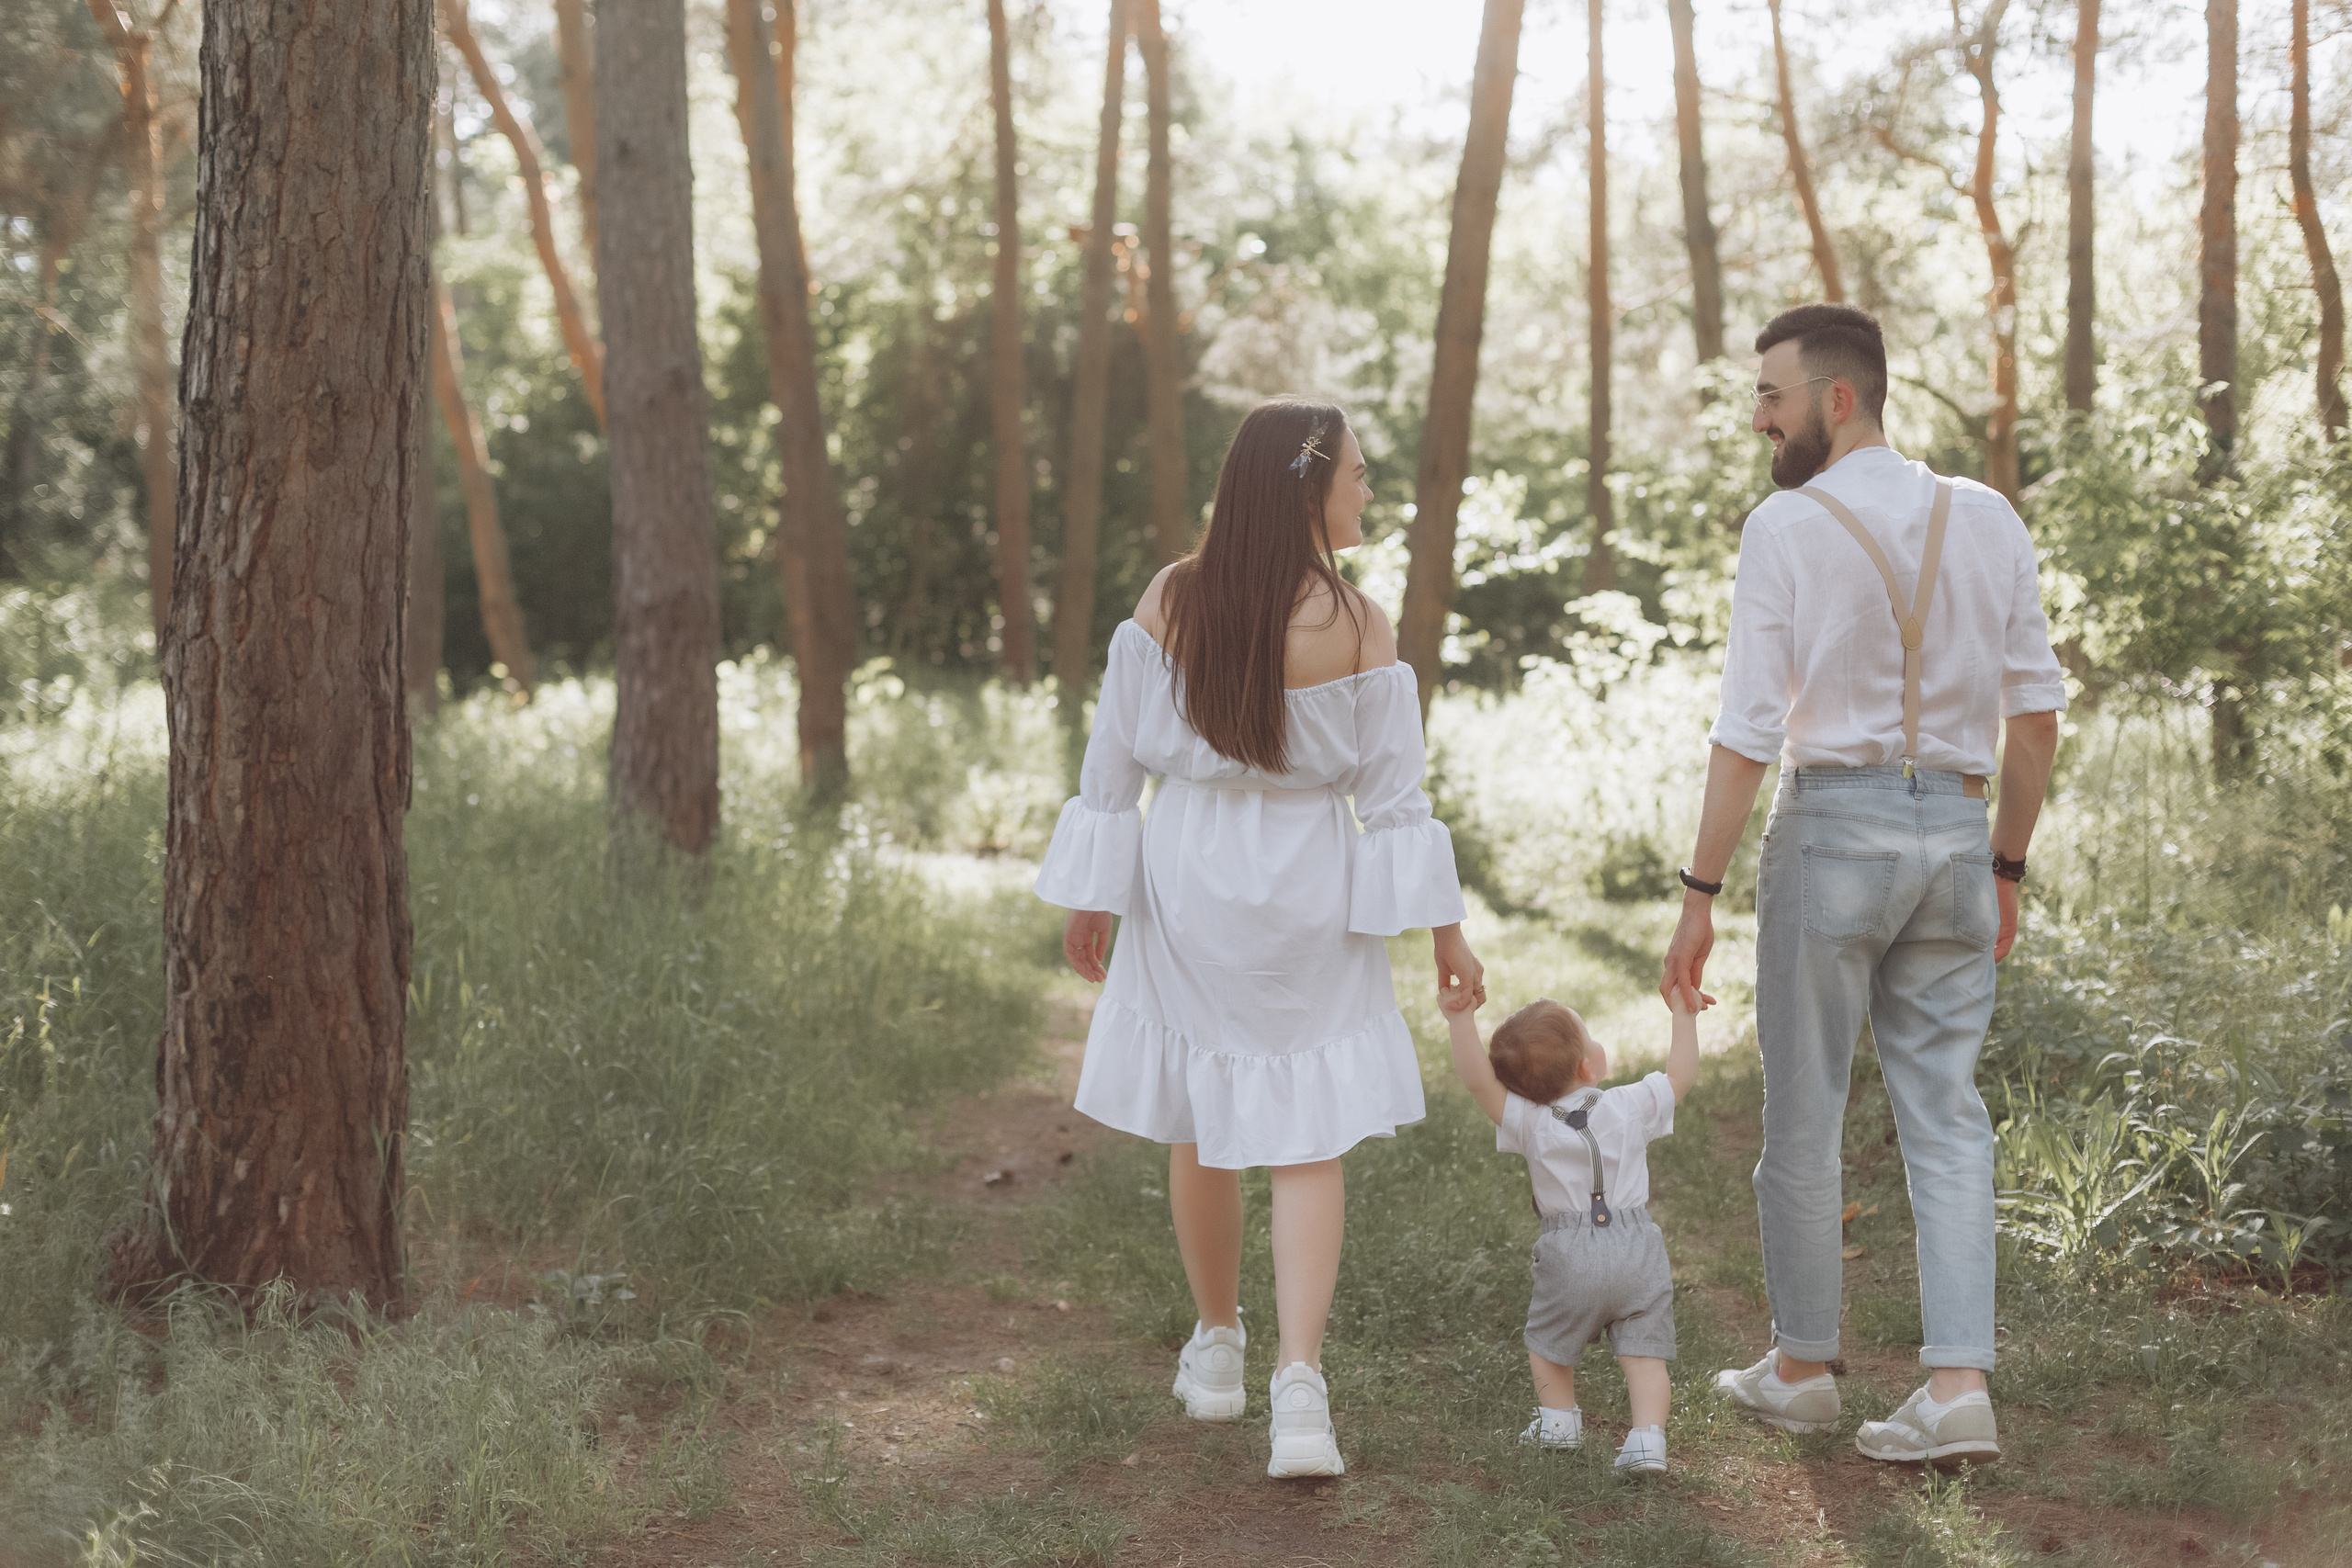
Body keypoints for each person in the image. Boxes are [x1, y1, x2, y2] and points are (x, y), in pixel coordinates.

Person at [1035, 396, 1483, 1480]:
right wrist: (1444, 932)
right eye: (1358, 474)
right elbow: (1394, 800)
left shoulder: (1172, 598)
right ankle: (1300, 1388)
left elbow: (1114, 762)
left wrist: (1092, 892)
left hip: (1187, 875)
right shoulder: (1358, 623)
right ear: (1307, 486)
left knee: (1201, 1106)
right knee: (1304, 1133)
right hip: (1305, 886)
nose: (1369, 490)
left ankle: (1221, 1344)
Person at [1660, 304, 2064, 1466]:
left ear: (1838, 398)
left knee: (1803, 1114)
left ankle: (1798, 1372)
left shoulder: (1783, 526)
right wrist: (2005, 861)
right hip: (1954, 830)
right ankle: (1955, 1389)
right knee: (1945, 1116)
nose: (1759, 418)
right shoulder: (1986, 518)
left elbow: (1745, 731)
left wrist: (1698, 891)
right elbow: (2033, 716)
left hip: (1832, 831)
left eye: (1772, 395)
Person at [1441, 981, 1708, 1475]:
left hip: (1569, 1254)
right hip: (1637, 1247)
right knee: (1644, 1354)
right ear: (1589, 1067)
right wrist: (1683, 1015)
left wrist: (1460, 1022)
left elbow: (1480, 1083)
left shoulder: (1530, 1122)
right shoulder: (1629, 1105)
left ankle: (1558, 1421)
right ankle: (1648, 1439)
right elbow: (1680, 1076)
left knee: (1547, 1345)